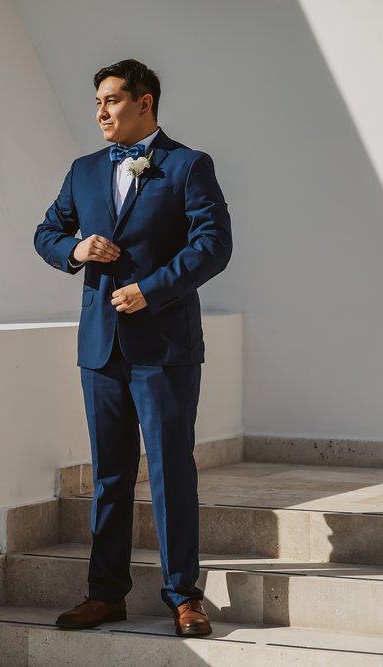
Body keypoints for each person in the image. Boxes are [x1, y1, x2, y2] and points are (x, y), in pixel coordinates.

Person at [33, 59, 232, 636]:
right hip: (100, 347)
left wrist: (152, 290)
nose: (100, 112)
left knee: (171, 471)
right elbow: (45, 233)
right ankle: (105, 595)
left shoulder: (188, 166)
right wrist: (76, 249)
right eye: (96, 101)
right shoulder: (84, 170)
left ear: (145, 103)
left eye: (112, 100)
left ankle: (184, 597)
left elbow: (213, 245)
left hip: (163, 346)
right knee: (110, 476)